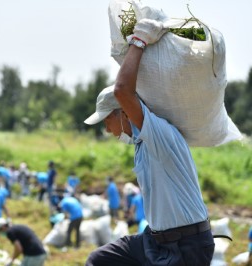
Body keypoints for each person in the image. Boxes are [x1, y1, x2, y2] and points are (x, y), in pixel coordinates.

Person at [85, 19, 214, 265]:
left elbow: (122, 90)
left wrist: (140, 40)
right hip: (155, 240)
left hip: (187, 246)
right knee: (99, 260)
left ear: (123, 112)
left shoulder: (158, 135)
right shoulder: (141, 145)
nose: (107, 129)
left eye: (106, 121)